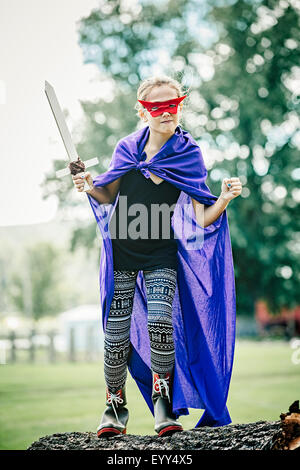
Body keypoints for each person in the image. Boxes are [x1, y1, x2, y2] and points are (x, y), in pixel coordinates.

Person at [72, 75, 242, 438]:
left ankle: (163, 405)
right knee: (116, 333)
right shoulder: (126, 148)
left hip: (159, 252)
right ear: (142, 111)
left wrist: (224, 200)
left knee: (161, 324)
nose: (166, 113)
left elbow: (201, 216)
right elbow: (106, 194)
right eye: (157, 107)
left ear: (181, 105)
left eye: (173, 105)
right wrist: (88, 185)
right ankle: (114, 407)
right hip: (123, 250)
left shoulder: (188, 153)